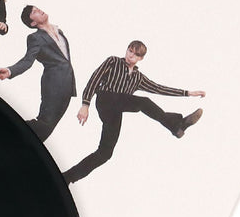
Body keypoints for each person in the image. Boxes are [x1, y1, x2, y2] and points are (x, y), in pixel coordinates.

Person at [63, 40, 206, 184]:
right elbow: (94, 79)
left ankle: (67, 177)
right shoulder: (113, 61)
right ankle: (176, 125)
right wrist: (85, 104)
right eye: (130, 51)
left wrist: (188, 93)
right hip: (105, 100)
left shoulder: (138, 78)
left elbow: (158, 88)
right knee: (144, 102)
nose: (131, 55)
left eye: (136, 54)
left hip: (116, 110)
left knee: (105, 153)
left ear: (140, 58)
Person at [0, 5, 76, 141]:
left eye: (37, 8)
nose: (39, 10)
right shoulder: (35, 38)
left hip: (68, 85)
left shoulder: (59, 31)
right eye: (34, 12)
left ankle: (19, 146)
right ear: (33, 23)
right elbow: (27, 61)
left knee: (47, 128)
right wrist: (10, 71)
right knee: (44, 124)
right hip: (53, 85)